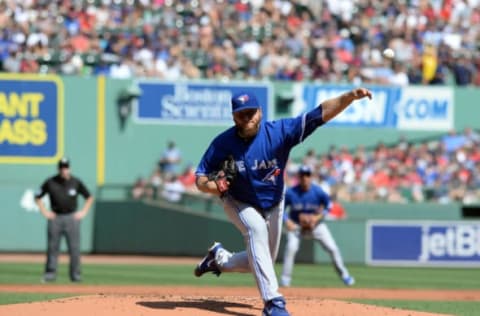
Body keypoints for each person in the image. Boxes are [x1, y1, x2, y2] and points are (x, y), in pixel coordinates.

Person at [193, 88, 372, 316]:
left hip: (275, 202)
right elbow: (199, 180)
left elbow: (319, 115)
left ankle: (219, 259)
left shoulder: (278, 132)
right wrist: (215, 186)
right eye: (241, 114)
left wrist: (347, 98)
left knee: (261, 260)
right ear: (233, 116)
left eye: (251, 112)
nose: (247, 118)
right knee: (255, 231)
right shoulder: (222, 143)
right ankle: (273, 303)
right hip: (238, 201)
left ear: (260, 112)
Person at [280, 165, 354, 288]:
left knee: (332, 248)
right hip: (297, 226)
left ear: (311, 177)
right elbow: (281, 209)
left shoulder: (317, 191)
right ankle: (285, 280)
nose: (305, 178)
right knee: (291, 248)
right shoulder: (291, 192)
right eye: (302, 175)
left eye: (307, 175)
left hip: (316, 225)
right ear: (299, 177)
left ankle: (345, 275)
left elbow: (329, 205)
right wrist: (287, 221)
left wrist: (317, 217)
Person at [34, 157, 94, 283]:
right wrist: (45, 212)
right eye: (62, 167)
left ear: (69, 168)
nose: (64, 170)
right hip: (55, 217)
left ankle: (75, 275)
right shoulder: (50, 182)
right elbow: (38, 196)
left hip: (71, 218)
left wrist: (83, 212)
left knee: (74, 248)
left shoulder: (76, 182)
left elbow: (89, 197)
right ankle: (50, 274)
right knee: (52, 247)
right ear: (58, 168)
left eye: (66, 167)